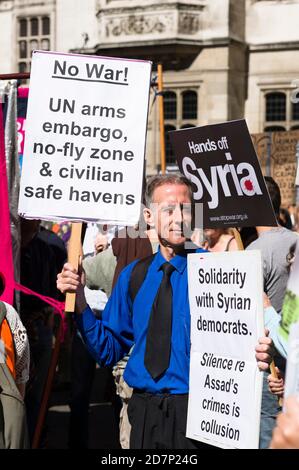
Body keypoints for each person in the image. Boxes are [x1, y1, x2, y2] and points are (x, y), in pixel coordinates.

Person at [57, 174, 273, 449]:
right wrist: (80, 304)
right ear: (149, 216)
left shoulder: (219, 273)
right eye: (169, 209)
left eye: (186, 208)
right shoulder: (133, 276)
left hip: (199, 417)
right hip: (144, 415)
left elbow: (242, 345)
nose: (179, 217)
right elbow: (108, 349)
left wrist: (260, 350)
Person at [246, 176, 299, 448]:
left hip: (272, 367)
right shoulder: (296, 241)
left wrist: (266, 308)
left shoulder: (254, 252)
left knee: (270, 433)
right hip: (289, 369)